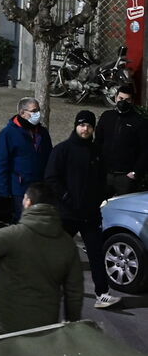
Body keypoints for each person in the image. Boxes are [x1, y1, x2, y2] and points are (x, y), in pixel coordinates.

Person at [0, 182, 84, 335]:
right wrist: (72, 324)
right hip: (45, 325)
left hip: (7, 324)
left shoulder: (12, 235)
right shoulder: (67, 243)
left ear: (28, 202)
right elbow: (74, 291)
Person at [46, 110, 120, 309]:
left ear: (93, 128)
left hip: (90, 215)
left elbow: (103, 179)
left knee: (96, 254)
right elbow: (51, 178)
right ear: (75, 126)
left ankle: (102, 294)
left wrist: (101, 196)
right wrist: (66, 197)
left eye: (88, 125)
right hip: (67, 214)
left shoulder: (97, 152)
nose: (84, 129)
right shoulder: (62, 150)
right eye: (81, 125)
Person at [0, 97, 53, 222]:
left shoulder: (42, 133)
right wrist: (4, 193)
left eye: (38, 110)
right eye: (34, 111)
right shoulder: (8, 134)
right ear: (22, 113)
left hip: (39, 187)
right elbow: (1, 165)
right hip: (20, 189)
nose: (37, 114)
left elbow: (49, 157)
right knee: (22, 221)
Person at [96, 86, 148, 196]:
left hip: (125, 177)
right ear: (115, 98)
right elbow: (98, 142)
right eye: (121, 98)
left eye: (127, 100)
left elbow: (145, 150)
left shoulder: (140, 122)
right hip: (105, 174)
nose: (123, 102)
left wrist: (135, 173)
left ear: (132, 101)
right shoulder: (106, 117)